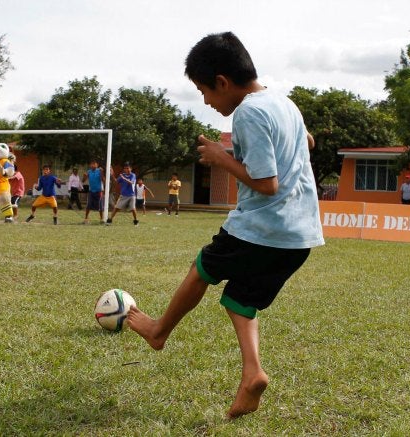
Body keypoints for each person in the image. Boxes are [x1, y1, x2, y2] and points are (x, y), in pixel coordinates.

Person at [127, 32, 324, 420]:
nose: (205, 101)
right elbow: (308, 142)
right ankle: (253, 373)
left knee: (202, 268)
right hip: (298, 236)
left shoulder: (248, 111)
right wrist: (245, 150)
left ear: (222, 81)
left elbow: (267, 184)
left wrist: (221, 156)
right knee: (240, 300)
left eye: (204, 91)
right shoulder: (285, 105)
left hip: (260, 227)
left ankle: (158, 331)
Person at [82, 158, 106, 224]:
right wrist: (84, 176)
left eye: (94, 164)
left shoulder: (100, 171)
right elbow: (83, 181)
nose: (93, 165)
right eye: (91, 164)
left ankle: (101, 219)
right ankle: (86, 219)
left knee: (100, 205)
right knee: (88, 205)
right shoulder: (89, 171)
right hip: (91, 191)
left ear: (97, 165)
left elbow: (103, 180)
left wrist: (102, 173)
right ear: (90, 165)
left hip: (99, 191)